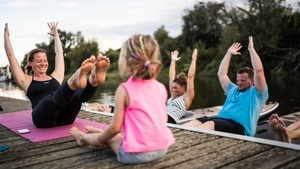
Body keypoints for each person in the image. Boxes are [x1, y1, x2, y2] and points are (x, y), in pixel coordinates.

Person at [69, 34, 175, 164]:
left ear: (126, 62)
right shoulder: (160, 87)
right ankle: (99, 132)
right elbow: (163, 119)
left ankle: (83, 137)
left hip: (136, 156)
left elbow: (114, 128)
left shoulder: (124, 90)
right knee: (118, 136)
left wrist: (101, 139)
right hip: (162, 148)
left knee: (108, 138)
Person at [4, 22, 110, 128]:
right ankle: (74, 80)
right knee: (53, 99)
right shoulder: (25, 80)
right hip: (43, 119)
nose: (43, 63)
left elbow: (59, 53)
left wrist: (55, 34)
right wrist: (6, 36)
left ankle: (93, 80)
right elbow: (10, 55)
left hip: (65, 118)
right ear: (30, 63)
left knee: (77, 97)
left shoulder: (55, 76)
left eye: (45, 61)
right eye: (39, 61)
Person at [184, 36, 269, 136]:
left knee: (210, 124)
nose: (239, 82)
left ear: (252, 82)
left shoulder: (257, 93)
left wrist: (251, 49)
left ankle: (192, 143)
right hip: (221, 120)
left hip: (240, 127)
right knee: (196, 122)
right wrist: (228, 54)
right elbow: (221, 74)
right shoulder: (233, 89)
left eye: (243, 80)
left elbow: (259, 71)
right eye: (238, 80)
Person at [167, 49, 198, 124]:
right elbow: (171, 76)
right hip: (162, 115)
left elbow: (190, 77)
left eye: (176, 88)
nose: (173, 90)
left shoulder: (187, 97)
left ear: (183, 87)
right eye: (173, 87)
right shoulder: (173, 94)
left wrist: (194, 59)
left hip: (170, 119)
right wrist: (173, 61)